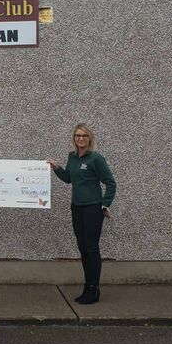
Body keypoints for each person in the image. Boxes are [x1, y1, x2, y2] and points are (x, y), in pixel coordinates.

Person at [46, 123, 116, 305]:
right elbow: (69, 178)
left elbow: (111, 183)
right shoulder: (72, 157)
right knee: (83, 248)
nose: (81, 139)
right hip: (76, 207)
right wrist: (56, 168)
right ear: (74, 139)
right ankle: (88, 285)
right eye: (78, 136)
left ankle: (94, 288)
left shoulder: (96, 159)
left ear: (90, 138)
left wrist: (105, 204)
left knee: (92, 248)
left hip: (92, 208)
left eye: (84, 135)